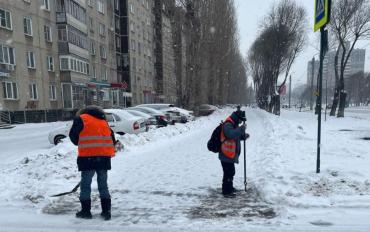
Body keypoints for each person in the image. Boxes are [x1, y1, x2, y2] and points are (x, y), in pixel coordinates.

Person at [69, 105, 116, 220]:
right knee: (103, 186)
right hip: (104, 158)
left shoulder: (81, 119)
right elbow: (112, 139)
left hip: (87, 158)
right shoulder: (103, 121)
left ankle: (86, 212)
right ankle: (106, 212)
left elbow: (73, 137)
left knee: (85, 186)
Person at [219, 107, 249, 197]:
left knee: (230, 172)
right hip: (225, 154)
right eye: (240, 121)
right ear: (237, 118)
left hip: (229, 154)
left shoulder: (233, 124)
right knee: (228, 173)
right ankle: (226, 191)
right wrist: (241, 129)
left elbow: (234, 137)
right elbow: (230, 134)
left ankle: (229, 188)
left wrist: (242, 136)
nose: (240, 122)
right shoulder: (228, 124)